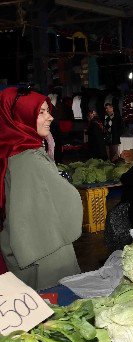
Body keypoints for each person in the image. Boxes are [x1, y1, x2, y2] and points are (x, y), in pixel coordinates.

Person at [0, 87, 83, 289]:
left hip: (27, 247)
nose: (50, 118)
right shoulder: (30, 159)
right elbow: (66, 199)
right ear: (22, 117)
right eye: (41, 112)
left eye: (48, 111)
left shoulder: (13, 152)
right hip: (47, 255)